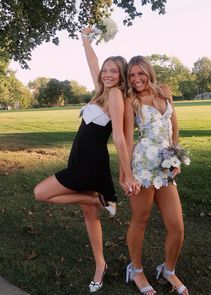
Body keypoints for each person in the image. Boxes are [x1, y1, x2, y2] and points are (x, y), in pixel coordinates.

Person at [34, 27, 139, 293]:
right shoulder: (102, 90)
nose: (107, 74)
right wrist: (85, 40)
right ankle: (100, 265)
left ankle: (99, 199)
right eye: (106, 70)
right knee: (89, 216)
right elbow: (93, 63)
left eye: (114, 71)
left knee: (41, 193)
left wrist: (127, 174)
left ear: (122, 75)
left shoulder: (115, 96)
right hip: (82, 159)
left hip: (88, 163)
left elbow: (120, 138)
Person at [120, 55, 189, 295]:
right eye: (131, 75)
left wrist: (176, 157)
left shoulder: (164, 92)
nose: (136, 79)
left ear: (149, 72)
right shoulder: (131, 101)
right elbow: (127, 138)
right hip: (142, 166)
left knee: (177, 225)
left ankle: (168, 270)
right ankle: (136, 269)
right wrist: (126, 174)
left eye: (140, 73)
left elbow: (174, 126)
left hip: (165, 166)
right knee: (141, 219)